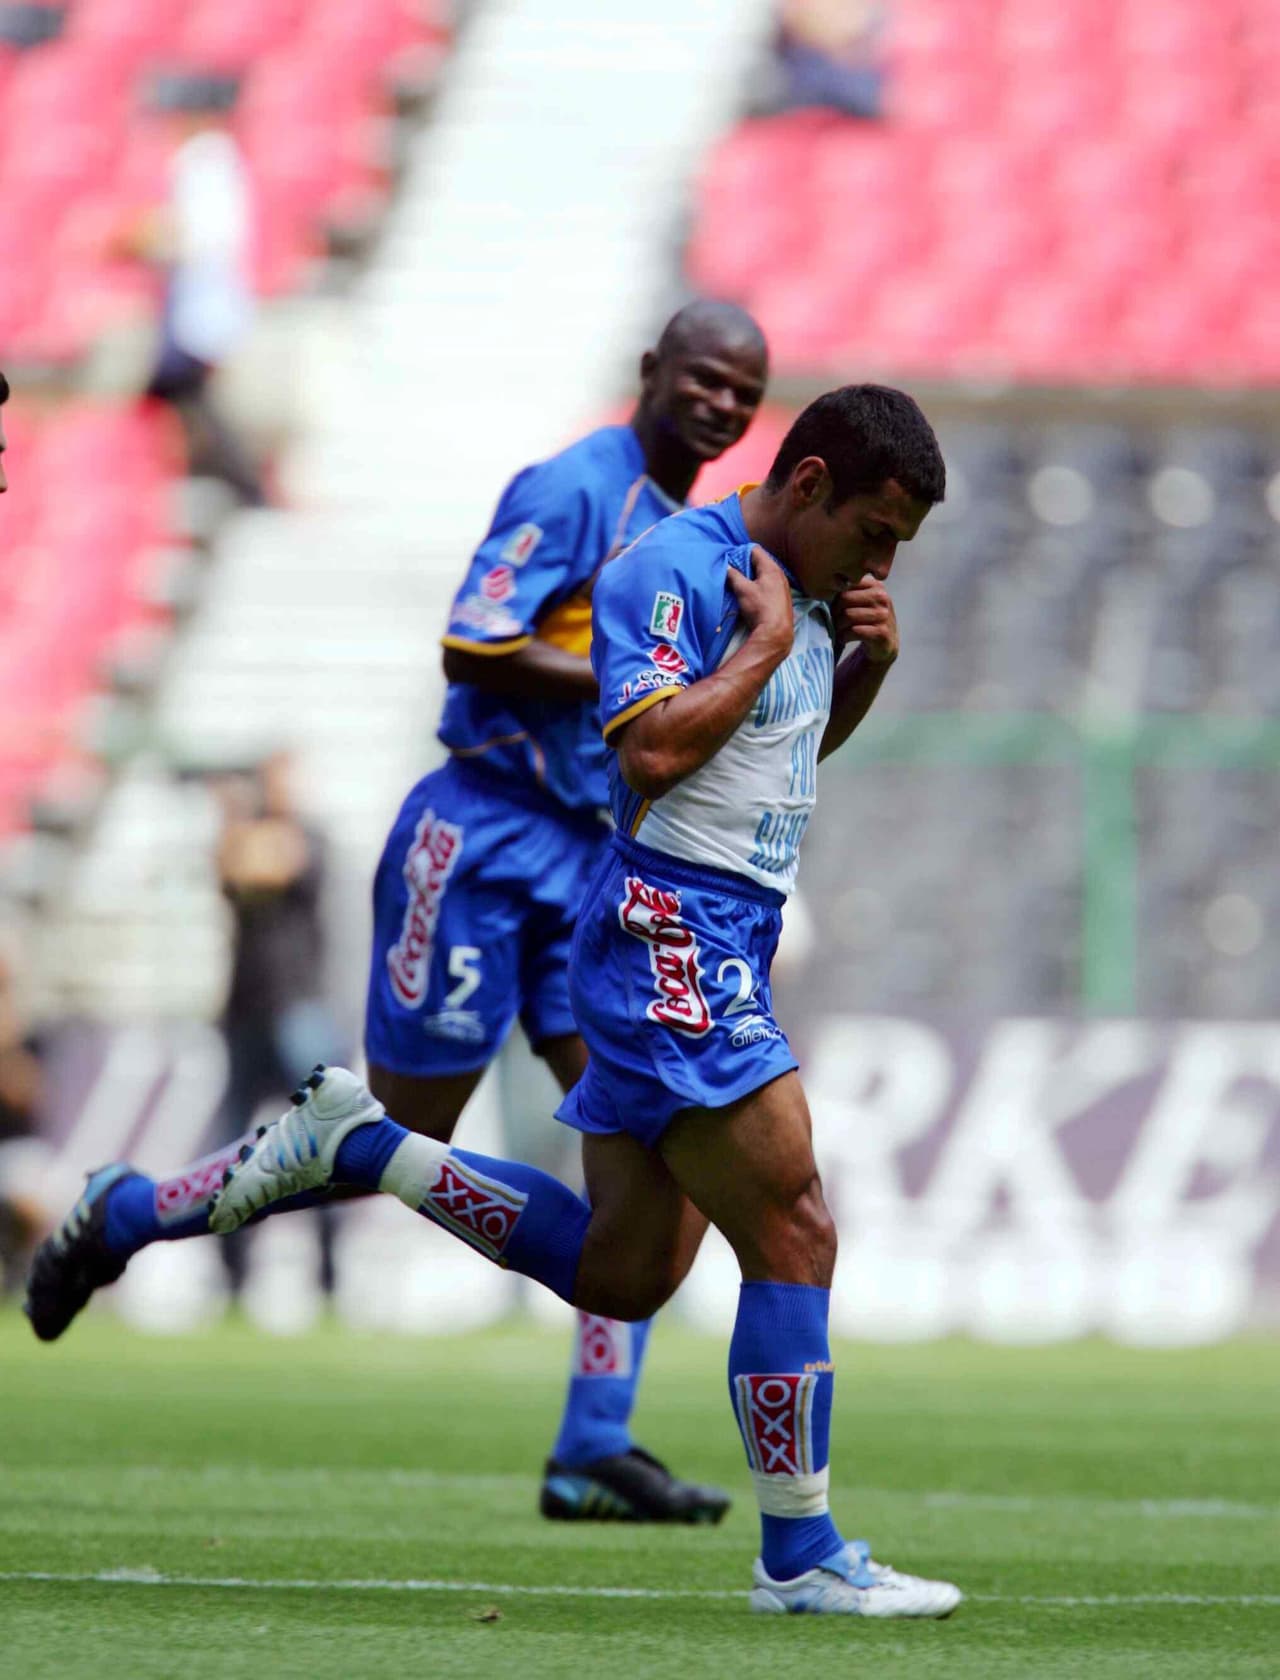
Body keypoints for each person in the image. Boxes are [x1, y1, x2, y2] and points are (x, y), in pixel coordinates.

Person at [206, 385, 963, 1617]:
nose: (879, 560)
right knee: (796, 1227)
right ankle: (802, 1556)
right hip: (673, 923)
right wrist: (772, 644)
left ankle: (368, 1145)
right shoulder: (671, 570)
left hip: (718, 928)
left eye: (899, 549)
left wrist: (860, 659)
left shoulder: (807, 599)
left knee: (623, 1272)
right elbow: (652, 754)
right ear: (810, 482)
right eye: (873, 530)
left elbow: (781, 747)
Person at [25, 302, 770, 1527]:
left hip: (588, 859)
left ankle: (594, 1443)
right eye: (703, 379)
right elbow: (470, 644)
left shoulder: (686, 529)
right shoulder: (576, 486)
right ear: (652, 372)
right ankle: (127, 1214)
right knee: (395, 1135)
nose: (722, 405)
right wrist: (630, 677)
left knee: (640, 1130)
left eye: (744, 391)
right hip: (478, 837)